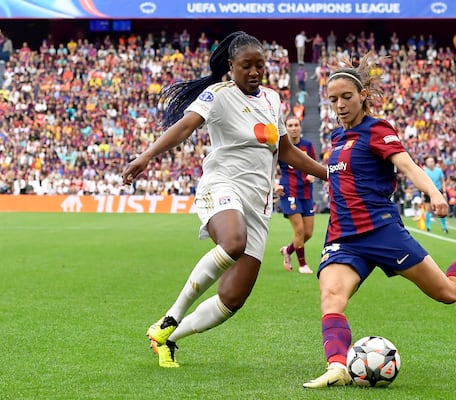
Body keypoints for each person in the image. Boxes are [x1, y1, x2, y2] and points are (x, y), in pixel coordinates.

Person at [302, 52, 456, 388]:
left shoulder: (377, 129)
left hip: (382, 231)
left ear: (362, 96)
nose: (340, 105)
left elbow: (408, 166)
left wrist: (434, 194)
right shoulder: (336, 138)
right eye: (333, 99)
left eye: (347, 97)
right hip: (343, 237)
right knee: (331, 297)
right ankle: (338, 367)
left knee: (447, 292)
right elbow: (335, 177)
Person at [122, 31, 327, 368]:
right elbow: (186, 126)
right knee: (233, 241)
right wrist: (146, 156)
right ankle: (170, 317)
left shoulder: (273, 100)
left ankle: (168, 338)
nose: (254, 71)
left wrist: (329, 175)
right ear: (230, 66)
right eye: (246, 65)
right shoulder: (217, 95)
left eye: (260, 65)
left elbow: (287, 151)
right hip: (222, 185)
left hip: (258, 205)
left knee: (233, 299)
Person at [276, 116, 317, 274]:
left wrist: (313, 175)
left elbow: (314, 164)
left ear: (300, 127)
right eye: (290, 125)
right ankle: (302, 265)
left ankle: (288, 250)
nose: (293, 128)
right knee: (299, 230)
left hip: (306, 191)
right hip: (289, 191)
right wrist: (275, 184)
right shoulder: (281, 147)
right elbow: (269, 166)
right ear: (285, 128)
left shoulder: (307, 145)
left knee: (308, 233)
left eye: (296, 125)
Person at [423, 156, 449, 233]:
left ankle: (444, 227)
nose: (430, 163)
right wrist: (422, 193)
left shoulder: (439, 171)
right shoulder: (425, 171)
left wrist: (444, 192)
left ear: (434, 162)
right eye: (429, 162)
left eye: (432, 161)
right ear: (426, 163)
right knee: (428, 209)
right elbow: (423, 183)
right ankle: (428, 227)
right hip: (428, 192)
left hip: (438, 191)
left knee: (441, 208)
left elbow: (442, 181)